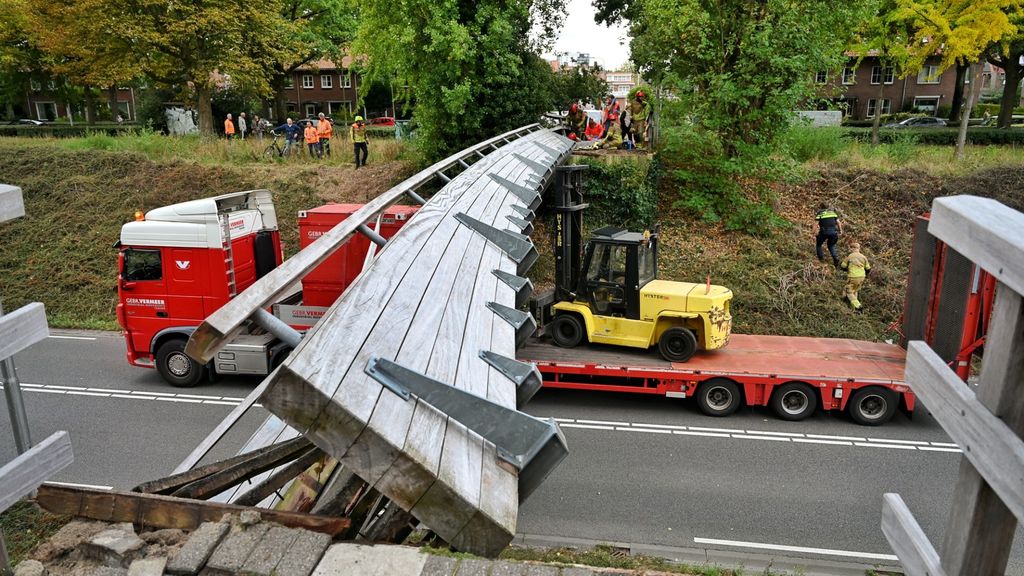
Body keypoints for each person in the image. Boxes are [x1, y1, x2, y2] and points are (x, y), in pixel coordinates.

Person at [840, 242, 871, 311]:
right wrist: (865, 275)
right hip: (862, 276)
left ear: (852, 248)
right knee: (855, 290)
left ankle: (858, 306)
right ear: (859, 248)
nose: (850, 250)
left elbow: (843, 266)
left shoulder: (850, 256)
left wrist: (847, 269)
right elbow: (868, 268)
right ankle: (853, 308)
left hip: (853, 276)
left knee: (848, 291)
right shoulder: (863, 257)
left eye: (850, 248)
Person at [814, 202, 842, 267]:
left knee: (818, 245)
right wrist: (840, 230)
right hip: (834, 232)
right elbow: (838, 222)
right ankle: (835, 258)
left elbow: (815, 224)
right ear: (828, 207)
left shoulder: (820, 213)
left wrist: (813, 232)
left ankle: (821, 259)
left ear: (820, 207)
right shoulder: (833, 213)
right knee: (831, 245)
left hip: (824, 232)